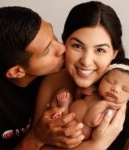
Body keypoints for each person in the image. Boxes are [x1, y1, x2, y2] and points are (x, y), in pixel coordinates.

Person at [0, 6, 85, 150]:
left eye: (53, 35)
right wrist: (37, 137)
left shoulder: (61, 66)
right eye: (47, 50)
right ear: (17, 72)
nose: (62, 48)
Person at [34, 1, 128, 150]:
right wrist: (96, 145)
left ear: (114, 53)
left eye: (100, 50)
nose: (86, 61)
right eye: (77, 46)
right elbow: (37, 145)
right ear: (64, 42)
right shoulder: (55, 79)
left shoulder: (122, 93)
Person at [51, 58, 129, 140]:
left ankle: (63, 111)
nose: (115, 89)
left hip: (78, 130)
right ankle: (56, 111)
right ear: (101, 79)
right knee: (63, 92)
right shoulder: (94, 91)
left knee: (75, 131)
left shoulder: (113, 109)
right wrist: (80, 91)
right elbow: (78, 100)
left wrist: (104, 104)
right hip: (71, 111)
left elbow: (90, 121)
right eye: (110, 82)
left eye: (125, 89)